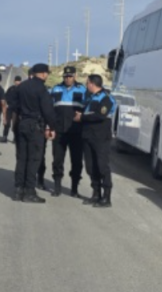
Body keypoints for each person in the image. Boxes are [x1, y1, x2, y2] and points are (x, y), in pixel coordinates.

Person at [13, 63, 56, 203]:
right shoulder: (42, 89)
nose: (47, 75)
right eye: (47, 73)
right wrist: (53, 128)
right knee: (34, 159)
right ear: (43, 74)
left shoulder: (22, 86)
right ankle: (30, 191)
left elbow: (14, 105)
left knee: (22, 158)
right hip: (35, 126)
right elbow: (48, 111)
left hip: (22, 123)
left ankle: (19, 189)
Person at [75, 74, 116, 207]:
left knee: (102, 166)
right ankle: (96, 193)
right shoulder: (89, 97)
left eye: (88, 83)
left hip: (101, 138)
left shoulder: (106, 98)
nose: (87, 86)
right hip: (88, 136)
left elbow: (100, 115)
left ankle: (106, 197)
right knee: (91, 167)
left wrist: (82, 118)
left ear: (92, 83)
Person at [49, 66, 87, 197]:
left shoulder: (82, 90)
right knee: (57, 160)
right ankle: (57, 186)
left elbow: (88, 108)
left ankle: (74, 188)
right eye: (65, 76)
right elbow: (50, 109)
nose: (68, 78)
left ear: (75, 76)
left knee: (76, 161)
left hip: (76, 132)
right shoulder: (56, 89)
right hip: (59, 132)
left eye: (70, 76)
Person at [1, 76, 22, 143]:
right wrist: (6, 104)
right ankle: (5, 136)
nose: (17, 82)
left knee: (15, 124)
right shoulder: (11, 89)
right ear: (14, 81)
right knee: (7, 123)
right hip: (9, 108)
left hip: (17, 109)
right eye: (16, 81)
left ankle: (15, 138)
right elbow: (5, 97)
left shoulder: (22, 89)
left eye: (19, 81)